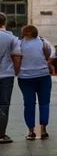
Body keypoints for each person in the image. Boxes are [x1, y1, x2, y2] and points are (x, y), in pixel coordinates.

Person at [17, 25, 53, 141]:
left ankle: (31, 131)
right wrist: (48, 62)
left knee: (29, 104)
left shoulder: (19, 44)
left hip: (25, 77)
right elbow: (52, 53)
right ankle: (42, 130)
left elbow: (16, 59)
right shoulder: (43, 41)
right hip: (43, 76)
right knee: (44, 103)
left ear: (23, 33)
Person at [0, 13, 21, 144]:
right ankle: (1, 135)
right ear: (4, 23)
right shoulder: (11, 38)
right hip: (6, 75)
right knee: (3, 105)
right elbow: (17, 57)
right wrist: (16, 72)